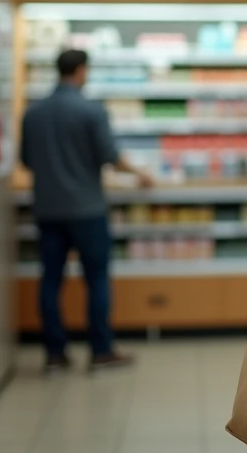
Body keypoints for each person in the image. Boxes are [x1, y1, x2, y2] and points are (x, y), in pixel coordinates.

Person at [20, 49, 154, 372]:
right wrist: (140, 174)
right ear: (81, 71)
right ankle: (100, 350)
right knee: (96, 279)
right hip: (87, 209)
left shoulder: (33, 113)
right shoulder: (91, 111)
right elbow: (109, 155)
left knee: (51, 280)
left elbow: (25, 161)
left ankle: (54, 353)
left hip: (48, 209)